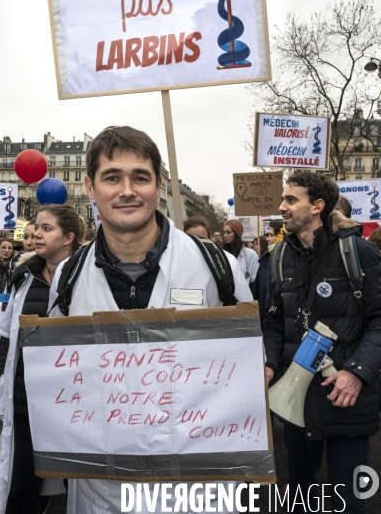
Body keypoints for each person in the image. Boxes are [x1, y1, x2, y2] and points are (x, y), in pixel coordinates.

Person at [48, 125, 252, 514]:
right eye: (112, 178)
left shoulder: (217, 267)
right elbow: (61, 376)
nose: (127, 190)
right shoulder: (67, 275)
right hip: (102, 490)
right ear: (90, 188)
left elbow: (246, 358)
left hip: (197, 486)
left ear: (158, 184)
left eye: (140, 177)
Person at [263, 172, 381, 514]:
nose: (282, 206)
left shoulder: (357, 252)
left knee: (348, 499)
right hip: (294, 399)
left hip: (345, 397)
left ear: (317, 206)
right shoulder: (279, 256)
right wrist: (270, 363)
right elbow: (273, 321)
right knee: (300, 496)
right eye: (283, 199)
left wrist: (357, 373)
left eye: (290, 200)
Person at [0, 205, 86, 514]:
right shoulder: (23, 276)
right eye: (35, 229)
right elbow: (6, 335)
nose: (35, 236)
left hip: (74, 404)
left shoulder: (90, 277)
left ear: (68, 238)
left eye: (46, 229)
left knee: (78, 484)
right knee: (22, 487)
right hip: (25, 401)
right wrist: (0, 379)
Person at [253, 221, 284, 330]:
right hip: (265, 319)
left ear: (281, 236)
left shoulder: (289, 261)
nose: (267, 239)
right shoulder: (265, 260)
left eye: (271, 235)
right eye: (267, 235)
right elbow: (256, 293)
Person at [222, 219, 258, 289]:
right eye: (224, 232)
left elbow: (255, 280)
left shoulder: (251, 255)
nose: (225, 235)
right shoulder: (221, 253)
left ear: (237, 234)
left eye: (228, 232)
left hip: (245, 296)